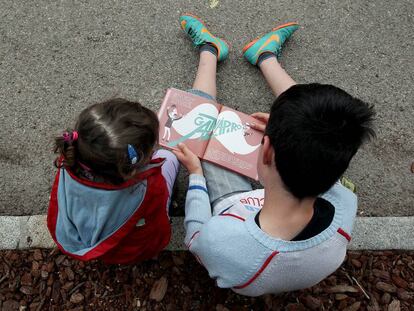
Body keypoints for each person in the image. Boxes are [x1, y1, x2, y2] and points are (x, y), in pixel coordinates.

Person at [174, 14, 375, 296]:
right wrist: (288, 131)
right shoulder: (344, 204)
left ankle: (210, 51)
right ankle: (264, 54)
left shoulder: (223, 240)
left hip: (234, 213)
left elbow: (196, 237)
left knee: (202, 123)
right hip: (276, 207)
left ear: (265, 149)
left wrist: (196, 177)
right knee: (316, 120)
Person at [47, 98, 179, 264]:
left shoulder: (69, 160)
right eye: (150, 149)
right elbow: (158, 225)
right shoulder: (148, 188)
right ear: (130, 169)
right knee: (169, 157)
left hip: (86, 242)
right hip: (131, 251)